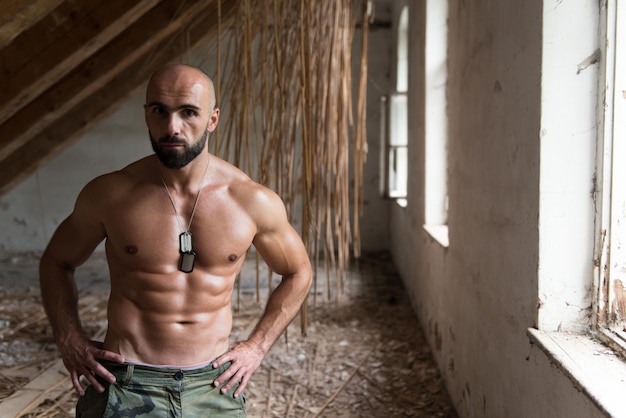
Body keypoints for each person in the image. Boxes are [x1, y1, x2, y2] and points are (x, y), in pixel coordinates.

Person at [39, 64, 312, 417]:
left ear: (212, 119)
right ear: (147, 115)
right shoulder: (110, 194)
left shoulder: (251, 200)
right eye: (160, 111)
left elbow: (298, 271)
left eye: (188, 112)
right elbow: (57, 262)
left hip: (213, 385)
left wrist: (256, 347)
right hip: (125, 382)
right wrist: (69, 339)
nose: (172, 127)